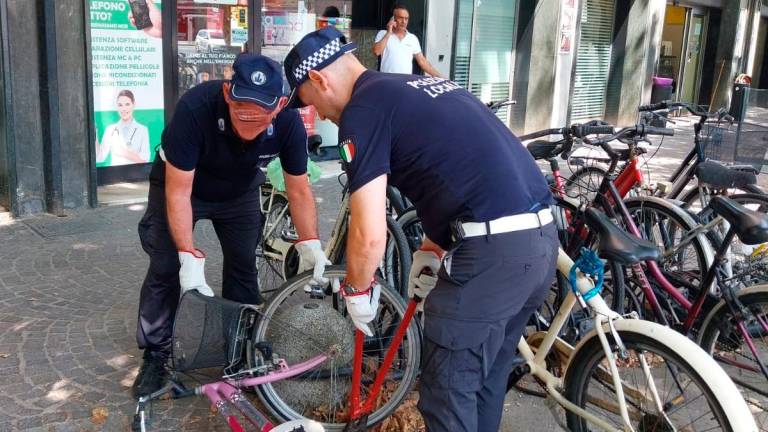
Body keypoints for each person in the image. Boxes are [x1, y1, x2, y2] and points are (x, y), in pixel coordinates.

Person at [284, 27, 558, 432]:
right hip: (539, 244)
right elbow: (452, 174)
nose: (320, 115)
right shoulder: (421, 85)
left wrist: (358, 290)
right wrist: (430, 248)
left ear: (319, 79)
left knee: (448, 395)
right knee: (482, 384)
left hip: (490, 259)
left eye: (313, 104)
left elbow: (369, 232)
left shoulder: (362, 112)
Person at [132, 53, 330, 399]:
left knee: (242, 265)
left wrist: (310, 241)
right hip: (183, 186)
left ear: (280, 105)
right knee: (165, 266)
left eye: (260, 114)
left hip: (238, 192)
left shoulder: (288, 123)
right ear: (227, 93)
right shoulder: (195, 109)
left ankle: (239, 354)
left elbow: (298, 188)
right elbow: (178, 191)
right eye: (241, 110)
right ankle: (155, 355)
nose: (249, 122)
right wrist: (187, 253)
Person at [372, 4, 442, 77]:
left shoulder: (412, 38)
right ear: (393, 19)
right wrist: (389, 32)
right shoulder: (383, 34)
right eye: (401, 18)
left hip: (405, 82)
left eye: (406, 18)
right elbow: (376, 52)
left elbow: (422, 62)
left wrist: (441, 77)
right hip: (388, 81)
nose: (404, 21)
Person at [96, 89, 151, 165]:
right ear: (117, 106)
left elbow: (146, 159)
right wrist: (94, 135)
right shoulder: (110, 129)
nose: (124, 109)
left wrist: (123, 152)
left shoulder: (143, 130)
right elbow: (99, 158)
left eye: (127, 104)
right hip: (115, 175)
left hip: (135, 175)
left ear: (134, 104)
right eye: (120, 105)